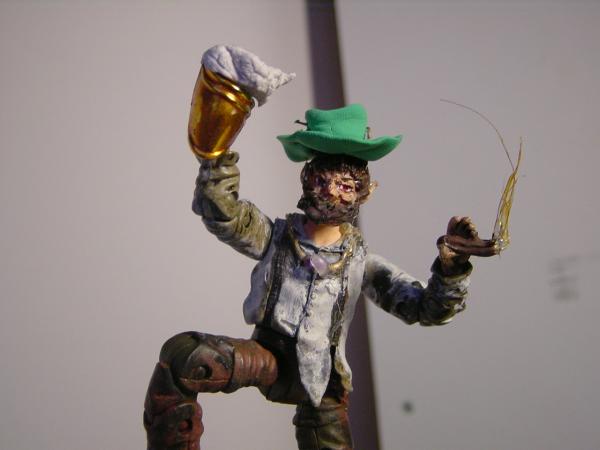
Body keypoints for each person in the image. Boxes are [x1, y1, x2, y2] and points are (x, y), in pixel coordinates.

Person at [143, 104, 495, 450]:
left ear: (364, 193)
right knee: (184, 356)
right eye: (322, 181)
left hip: (322, 377)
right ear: (306, 179)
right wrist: (215, 159)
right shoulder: (275, 237)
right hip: (267, 356)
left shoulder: (362, 265)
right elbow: (224, 214)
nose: (331, 192)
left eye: (345, 186)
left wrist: (452, 267)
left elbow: (425, 308)